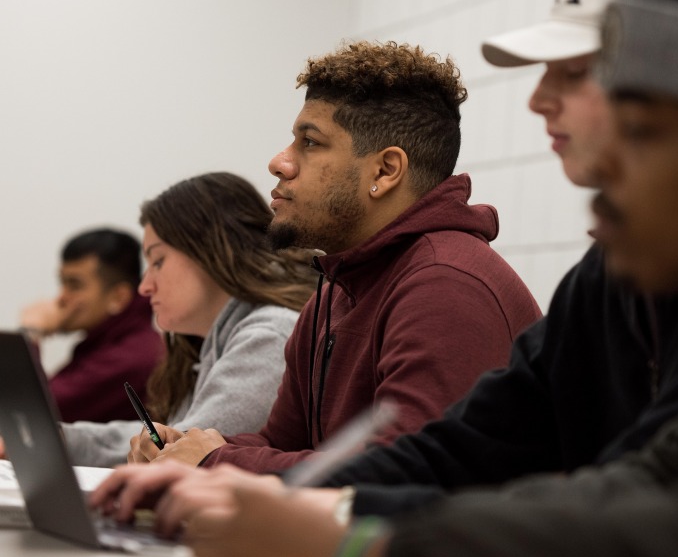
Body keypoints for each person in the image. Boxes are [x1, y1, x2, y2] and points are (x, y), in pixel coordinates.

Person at [91, 0, 678, 557]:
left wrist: (352, 545)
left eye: (634, 113)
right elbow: (466, 450)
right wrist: (262, 494)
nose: (537, 100)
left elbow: (654, 516)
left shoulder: (448, 282)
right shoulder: (601, 277)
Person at [127, 41, 541, 471]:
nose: (279, 163)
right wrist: (186, 448)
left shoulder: (445, 285)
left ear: (384, 171)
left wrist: (216, 459)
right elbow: (281, 443)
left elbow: (407, 474)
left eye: (309, 142)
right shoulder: (336, 287)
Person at [53, 172, 317, 467]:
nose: (144, 286)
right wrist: (56, 440)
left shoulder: (271, 334)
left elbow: (185, 452)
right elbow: (166, 438)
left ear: (210, 252)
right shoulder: (209, 342)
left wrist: (52, 443)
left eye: (158, 261)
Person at [19, 227, 164, 423]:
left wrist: (29, 336)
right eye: (62, 283)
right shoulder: (113, 343)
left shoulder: (130, 357)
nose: (61, 297)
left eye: (74, 285)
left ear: (118, 297)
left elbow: (28, 416)